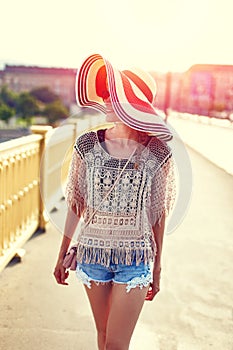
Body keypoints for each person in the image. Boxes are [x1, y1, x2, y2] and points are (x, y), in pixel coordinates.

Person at [53, 54, 176, 350]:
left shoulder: (158, 154)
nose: (105, 100)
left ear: (129, 102)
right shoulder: (87, 145)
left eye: (112, 94)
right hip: (92, 254)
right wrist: (62, 253)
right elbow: (76, 203)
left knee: (117, 345)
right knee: (104, 337)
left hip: (134, 260)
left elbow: (157, 215)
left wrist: (157, 268)